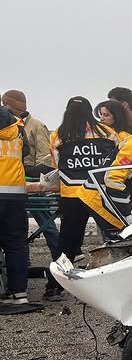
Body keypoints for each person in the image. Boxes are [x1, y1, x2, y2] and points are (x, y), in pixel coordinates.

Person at [46, 97, 122, 300]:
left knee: (68, 242)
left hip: (73, 195)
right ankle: (120, 282)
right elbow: (117, 158)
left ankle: (55, 286)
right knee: (113, 237)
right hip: (100, 193)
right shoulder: (107, 133)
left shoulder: (59, 136)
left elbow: (57, 165)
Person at [2, 90, 60, 262]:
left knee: (46, 224)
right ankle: (23, 260)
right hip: (15, 182)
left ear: (10, 105)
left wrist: (31, 174)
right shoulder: (8, 124)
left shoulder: (36, 126)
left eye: (4, 104)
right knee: (19, 227)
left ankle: (59, 255)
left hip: (33, 181)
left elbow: (45, 156)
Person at [0, 106, 28, 303]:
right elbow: (25, 151)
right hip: (15, 193)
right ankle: (19, 293)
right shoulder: (18, 127)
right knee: (16, 244)